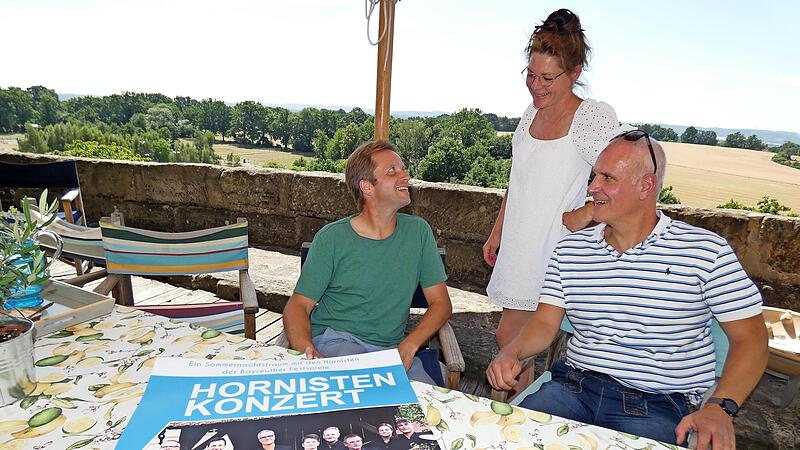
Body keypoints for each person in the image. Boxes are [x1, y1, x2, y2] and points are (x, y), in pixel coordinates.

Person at [486, 131, 769, 449]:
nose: (593, 188)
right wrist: (513, 351)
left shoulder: (705, 250)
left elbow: (752, 340)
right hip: (572, 389)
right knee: (503, 442)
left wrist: (721, 407)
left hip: (656, 407)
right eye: (595, 176)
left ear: (646, 186)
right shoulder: (571, 249)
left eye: (608, 178)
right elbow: (544, 323)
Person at [483, 9, 624, 357]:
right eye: (530, 75)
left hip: (555, 248)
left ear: (575, 73)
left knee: (512, 342)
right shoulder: (531, 112)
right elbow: (519, 180)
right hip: (521, 243)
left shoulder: (590, 116)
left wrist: (589, 212)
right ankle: (518, 407)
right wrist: (497, 231)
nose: (536, 86)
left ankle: (515, 408)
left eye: (547, 78)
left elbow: (631, 170)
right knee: (515, 344)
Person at [283, 140, 452, 385]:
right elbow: (298, 306)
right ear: (367, 188)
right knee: (368, 396)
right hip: (337, 342)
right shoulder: (332, 239)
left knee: (425, 407)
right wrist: (307, 351)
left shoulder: (418, 233)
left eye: (403, 168)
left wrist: (410, 344)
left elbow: (441, 304)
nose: (405, 176)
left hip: (392, 352)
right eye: (392, 171)